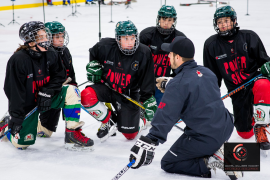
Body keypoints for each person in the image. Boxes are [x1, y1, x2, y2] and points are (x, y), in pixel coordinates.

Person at [128, 36, 243, 179]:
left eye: (170, 53)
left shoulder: (178, 84)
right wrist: (171, 84)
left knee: (168, 163)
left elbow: (166, 115)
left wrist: (151, 139)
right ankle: (226, 152)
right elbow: (194, 86)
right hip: (225, 126)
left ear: (178, 57)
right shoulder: (207, 72)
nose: (168, 55)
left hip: (205, 137)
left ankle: (211, 160)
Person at [0, 21, 93, 151]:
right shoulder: (18, 60)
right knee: (23, 144)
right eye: (42, 37)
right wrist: (16, 117)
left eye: (46, 36)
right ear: (31, 42)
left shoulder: (51, 53)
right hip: (29, 105)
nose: (47, 40)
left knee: (72, 90)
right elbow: (14, 92)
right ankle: (6, 127)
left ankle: (72, 133)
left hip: (47, 98)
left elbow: (60, 76)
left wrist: (47, 92)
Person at [203, 6, 270, 151]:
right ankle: (255, 116)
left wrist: (267, 67)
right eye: (219, 22)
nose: (223, 25)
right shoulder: (211, 45)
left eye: (226, 20)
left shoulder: (249, 36)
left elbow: (265, 62)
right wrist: (209, 97)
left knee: (264, 84)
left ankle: (261, 126)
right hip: (237, 91)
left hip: (255, 83)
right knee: (244, 133)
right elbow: (211, 77)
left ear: (234, 21)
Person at [81, 20, 157, 142]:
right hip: (108, 88)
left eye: (132, 38)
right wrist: (94, 68)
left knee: (130, 135)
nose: (130, 42)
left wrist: (147, 99)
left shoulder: (143, 53)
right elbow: (93, 53)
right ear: (118, 39)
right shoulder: (105, 46)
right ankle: (109, 121)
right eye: (125, 38)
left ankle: (141, 117)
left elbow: (147, 79)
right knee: (86, 96)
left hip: (128, 94)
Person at [35, 21, 78, 138]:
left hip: (59, 93)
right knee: (43, 133)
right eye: (57, 37)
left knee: (45, 132)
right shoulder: (43, 54)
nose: (61, 39)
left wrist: (73, 91)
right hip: (44, 96)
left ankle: (72, 131)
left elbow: (71, 74)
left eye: (62, 36)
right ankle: (12, 122)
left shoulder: (65, 51)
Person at [139, 5, 186, 105]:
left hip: (164, 82)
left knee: (161, 110)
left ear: (174, 21)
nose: (166, 23)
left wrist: (173, 80)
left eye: (170, 20)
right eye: (163, 19)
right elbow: (137, 59)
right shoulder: (146, 35)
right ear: (159, 19)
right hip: (145, 81)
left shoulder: (179, 38)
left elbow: (184, 65)